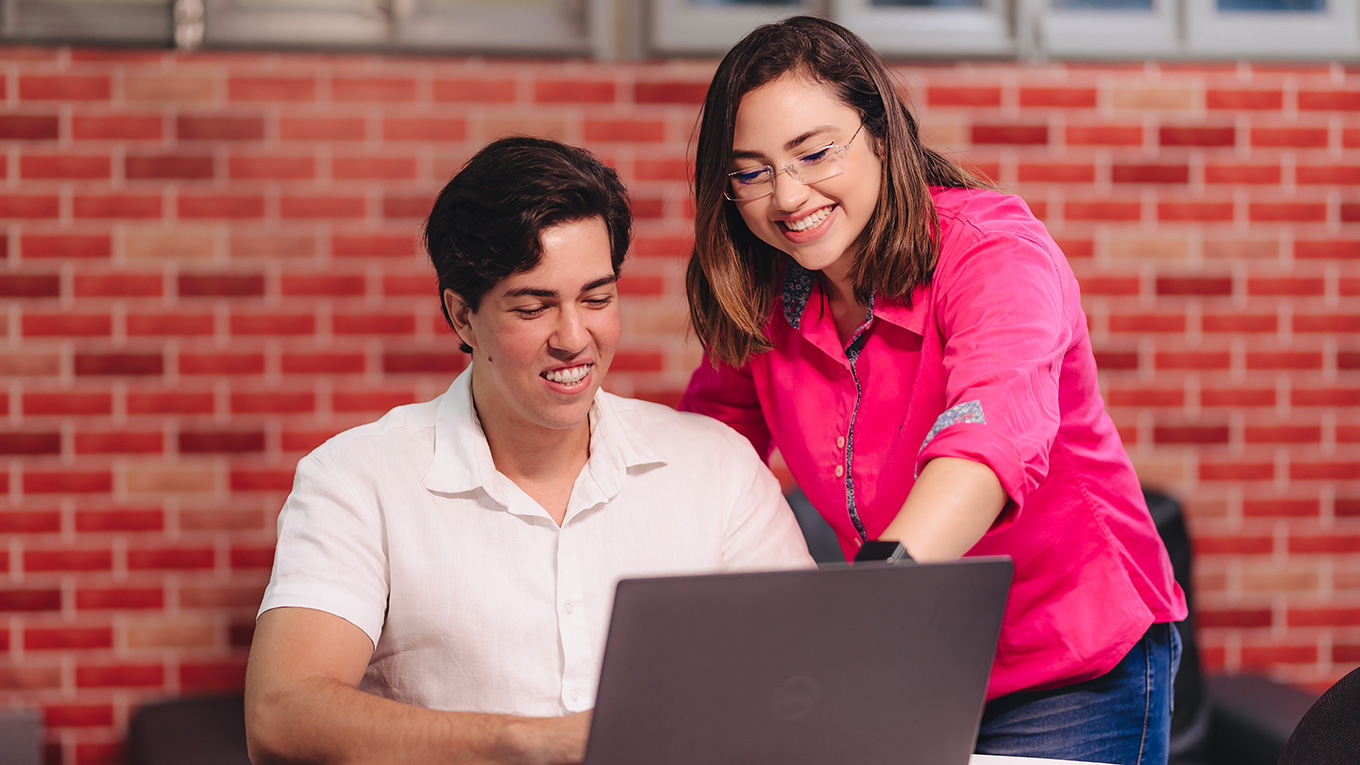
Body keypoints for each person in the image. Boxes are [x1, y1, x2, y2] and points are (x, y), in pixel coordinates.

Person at [679, 16, 1188, 765]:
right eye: (751, 171)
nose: (787, 196)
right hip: (919, 662)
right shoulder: (766, 296)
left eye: (814, 152)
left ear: (881, 134)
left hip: (1070, 662)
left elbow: (990, 435)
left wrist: (870, 606)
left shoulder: (991, 253)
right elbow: (710, 447)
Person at [244, 136, 814, 765]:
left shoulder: (718, 468)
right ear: (463, 317)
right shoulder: (357, 478)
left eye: (597, 299)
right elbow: (282, 714)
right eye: (534, 306)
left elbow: (809, 687)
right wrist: (529, 742)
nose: (575, 338)